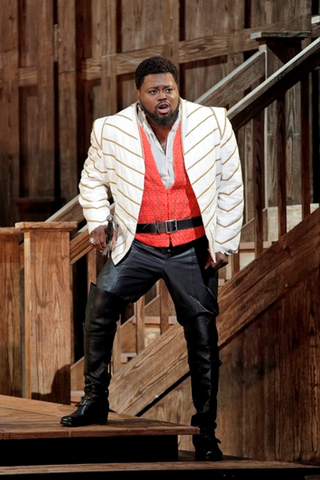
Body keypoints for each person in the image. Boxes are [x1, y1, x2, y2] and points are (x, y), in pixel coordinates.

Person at [60, 56, 244, 461]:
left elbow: (231, 186)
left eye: (169, 89)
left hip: (192, 245)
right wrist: (96, 219)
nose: (163, 98)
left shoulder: (212, 122)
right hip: (139, 244)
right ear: (139, 95)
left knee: (202, 336)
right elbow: (92, 180)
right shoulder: (110, 130)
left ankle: (205, 430)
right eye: (154, 91)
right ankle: (95, 400)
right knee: (99, 307)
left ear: (178, 89)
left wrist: (225, 244)